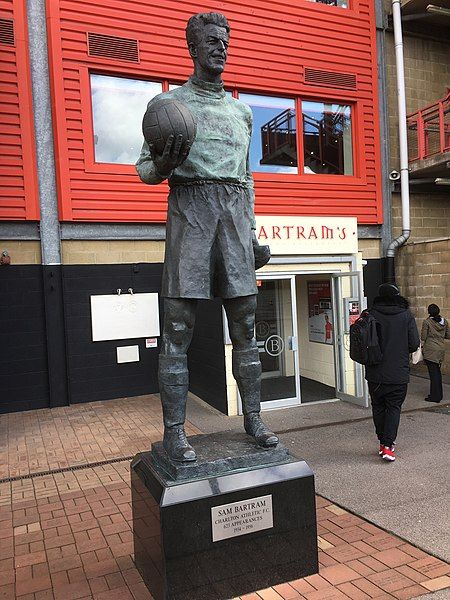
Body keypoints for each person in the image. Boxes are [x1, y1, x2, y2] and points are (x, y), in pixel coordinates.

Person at [136, 12, 278, 462]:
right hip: (191, 214)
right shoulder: (169, 107)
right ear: (192, 49)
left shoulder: (241, 111)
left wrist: (252, 233)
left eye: (225, 40)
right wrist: (162, 164)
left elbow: (247, 178)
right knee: (177, 328)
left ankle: (253, 418)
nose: (220, 47)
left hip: (234, 217)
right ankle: (175, 431)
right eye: (211, 41)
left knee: (247, 327)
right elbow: (144, 170)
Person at [365, 283, 420, 462]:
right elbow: (413, 344)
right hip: (398, 372)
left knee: (378, 406)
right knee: (393, 408)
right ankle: (388, 446)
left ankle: (383, 442)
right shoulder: (406, 316)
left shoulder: (370, 314)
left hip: (375, 372)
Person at [421, 304, 449, 403]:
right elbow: (448, 335)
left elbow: (423, 337)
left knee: (433, 374)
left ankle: (435, 397)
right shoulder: (444, 321)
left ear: (429, 312)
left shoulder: (427, 322)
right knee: (437, 373)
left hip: (430, 350)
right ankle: (438, 395)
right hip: (440, 349)